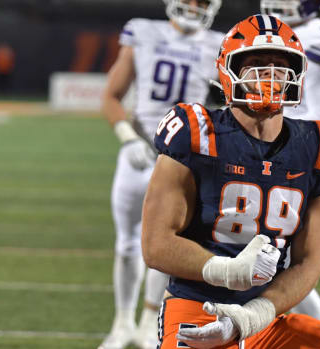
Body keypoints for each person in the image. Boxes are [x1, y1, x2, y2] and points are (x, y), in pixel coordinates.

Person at [143, 14, 320, 348]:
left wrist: (254, 314)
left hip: (262, 318)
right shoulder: (196, 133)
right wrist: (228, 270)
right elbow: (156, 245)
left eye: (279, 66)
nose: (269, 75)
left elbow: (308, 262)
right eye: (255, 64)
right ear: (227, 72)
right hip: (196, 309)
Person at [99, 1, 223, 348]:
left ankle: (148, 321)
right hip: (138, 151)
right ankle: (122, 322)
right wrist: (126, 138)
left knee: (166, 242)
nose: (194, 6)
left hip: (183, 159)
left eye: (203, 1)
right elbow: (111, 95)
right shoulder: (143, 30)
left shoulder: (220, 43)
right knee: (126, 244)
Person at [260, 0, 320, 322]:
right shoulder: (291, 34)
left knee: (286, 263)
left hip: (303, 153)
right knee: (275, 260)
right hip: (284, 150)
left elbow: (281, 56)